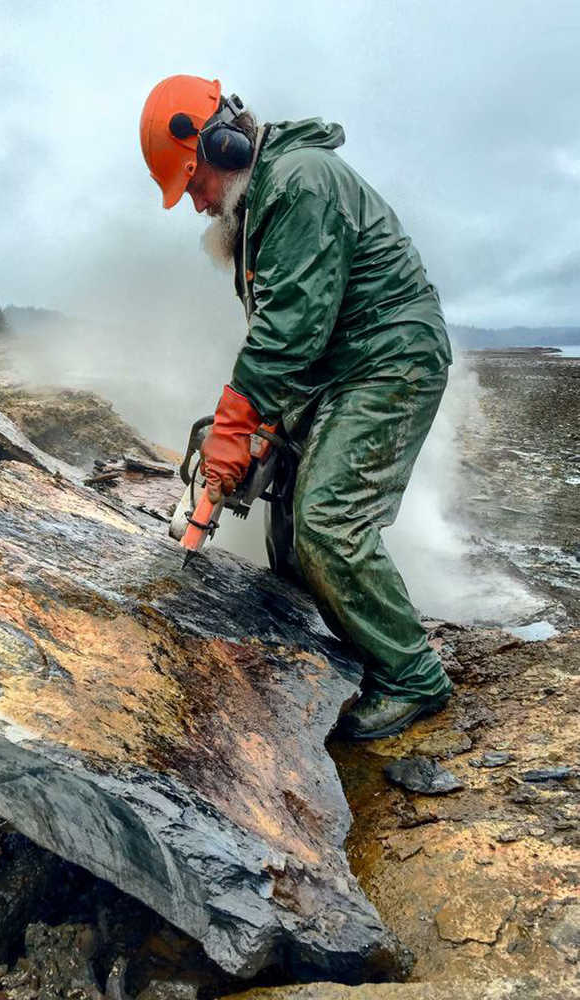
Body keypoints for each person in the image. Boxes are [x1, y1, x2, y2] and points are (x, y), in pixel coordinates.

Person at [139, 75, 454, 739]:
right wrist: (256, 427)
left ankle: (412, 677)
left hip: (387, 357)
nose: (196, 205)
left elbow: (287, 333)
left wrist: (234, 426)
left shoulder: (299, 181)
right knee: (284, 516)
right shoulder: (259, 207)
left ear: (222, 147)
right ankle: (329, 653)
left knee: (327, 520)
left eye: (193, 184)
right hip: (335, 368)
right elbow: (285, 334)